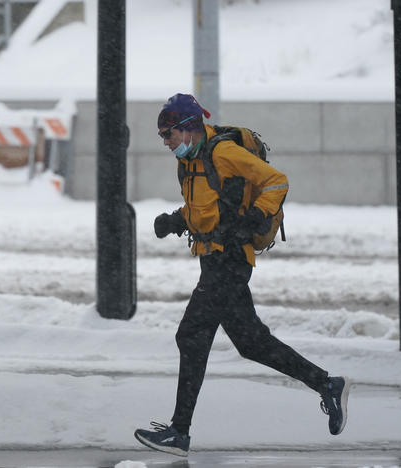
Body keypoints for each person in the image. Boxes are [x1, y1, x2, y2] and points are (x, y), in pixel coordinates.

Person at [133, 94, 350, 458]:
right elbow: (204, 209)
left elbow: (276, 181)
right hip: (213, 259)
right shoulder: (189, 162)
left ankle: (179, 432)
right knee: (251, 343)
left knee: (191, 335)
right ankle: (327, 384)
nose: (165, 143)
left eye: (168, 135)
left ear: (188, 129)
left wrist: (258, 217)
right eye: (161, 137)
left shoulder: (223, 153)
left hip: (231, 259)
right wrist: (176, 220)